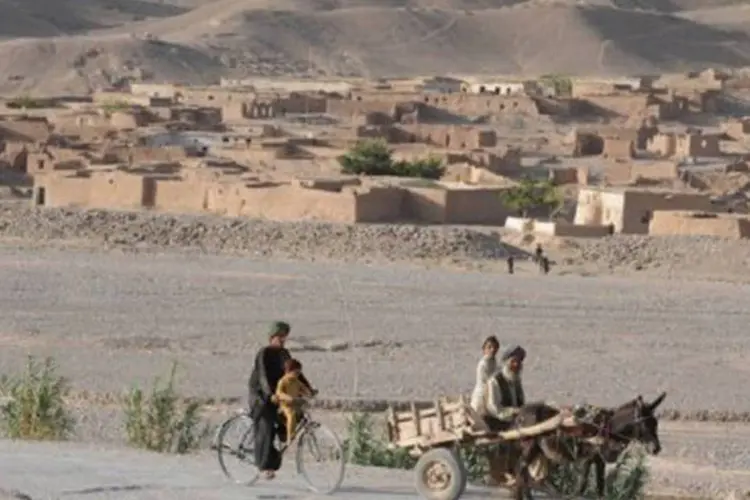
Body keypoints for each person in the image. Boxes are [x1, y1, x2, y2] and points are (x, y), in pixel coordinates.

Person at [247, 321, 315, 479]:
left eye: (284, 337)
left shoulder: (284, 354)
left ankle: (281, 443)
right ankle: (265, 466)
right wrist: (270, 394)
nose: (283, 340)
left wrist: (308, 389)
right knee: (267, 425)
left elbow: (294, 374)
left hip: (279, 394)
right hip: (261, 396)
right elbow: (263, 377)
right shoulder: (263, 353)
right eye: (280, 337)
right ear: (272, 338)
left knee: (292, 416)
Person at [482, 345, 526, 431]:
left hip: (516, 422)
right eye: (513, 361)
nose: (516, 365)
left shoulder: (516, 381)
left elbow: (521, 403)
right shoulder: (494, 381)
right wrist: (512, 412)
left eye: (518, 362)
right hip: (497, 424)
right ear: (506, 362)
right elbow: (494, 409)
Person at [274, 358, 314, 445]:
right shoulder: (283, 381)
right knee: (291, 415)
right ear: (288, 371)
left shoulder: (296, 381)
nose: (297, 375)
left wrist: (310, 392)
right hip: (285, 405)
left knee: (301, 413)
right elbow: (279, 393)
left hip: (295, 403)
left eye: (298, 373)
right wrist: (288, 398)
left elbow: (303, 388)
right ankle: (290, 436)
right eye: (295, 373)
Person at [470, 336, 500, 413]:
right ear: (484, 349)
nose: (492, 350)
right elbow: (489, 382)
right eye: (489, 347)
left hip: (490, 395)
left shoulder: (494, 361)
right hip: (481, 396)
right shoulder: (483, 364)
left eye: (494, 347)